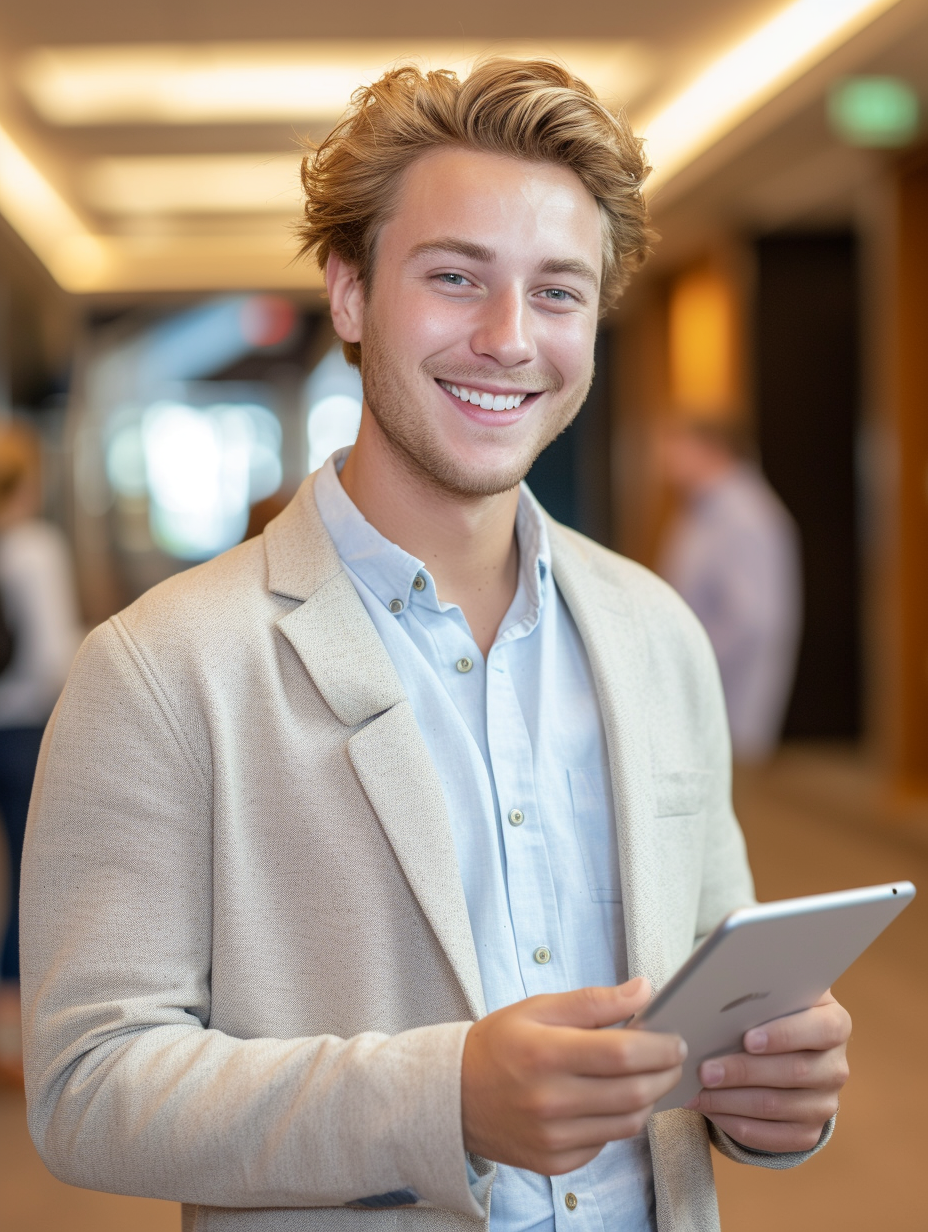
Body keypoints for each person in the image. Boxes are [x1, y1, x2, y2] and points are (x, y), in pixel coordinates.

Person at [20, 60, 850, 1232]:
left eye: (558, 292)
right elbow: (85, 1083)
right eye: (456, 278)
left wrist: (770, 1092)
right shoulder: (160, 668)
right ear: (350, 293)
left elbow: (705, 996)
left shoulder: (656, 632)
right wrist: (442, 1097)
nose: (509, 339)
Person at [0, 419, 82, 1086]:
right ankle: (20, 1044)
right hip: (25, 731)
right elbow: (53, 656)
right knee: (35, 881)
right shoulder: (33, 547)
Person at [657, 418, 802, 762]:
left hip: (726, 702)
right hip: (701, 699)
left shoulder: (743, 516)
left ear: (711, 449)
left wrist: (690, 668)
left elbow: (752, 621)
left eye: (675, 444)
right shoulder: (703, 509)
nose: (664, 457)